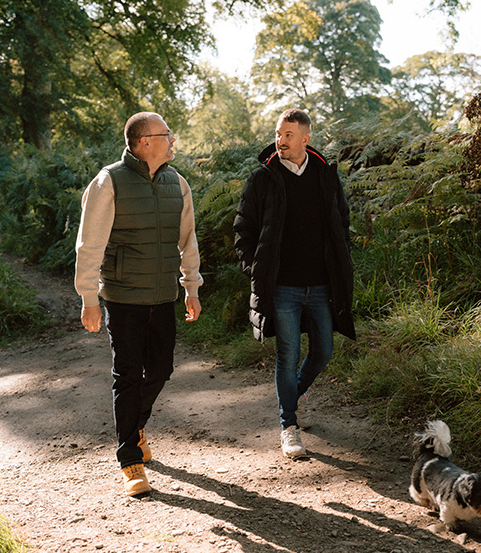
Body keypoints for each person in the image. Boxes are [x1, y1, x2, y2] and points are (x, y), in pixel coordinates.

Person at [75, 111, 203, 497]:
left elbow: (188, 241)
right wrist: (89, 298)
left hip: (163, 296)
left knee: (161, 369)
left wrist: (192, 288)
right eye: (167, 135)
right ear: (145, 142)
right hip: (124, 297)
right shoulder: (109, 181)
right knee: (128, 374)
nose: (173, 140)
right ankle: (130, 458)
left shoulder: (176, 183)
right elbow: (90, 243)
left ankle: (136, 423)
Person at [233, 108, 355, 459]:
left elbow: (341, 223)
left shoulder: (325, 175)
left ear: (306, 138)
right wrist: (254, 269)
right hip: (282, 286)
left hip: (320, 285)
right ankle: (289, 426)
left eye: (288, 135)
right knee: (288, 355)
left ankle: (295, 395)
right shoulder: (263, 178)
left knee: (324, 351)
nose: (280, 141)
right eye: (277, 134)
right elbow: (243, 228)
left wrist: (341, 261)